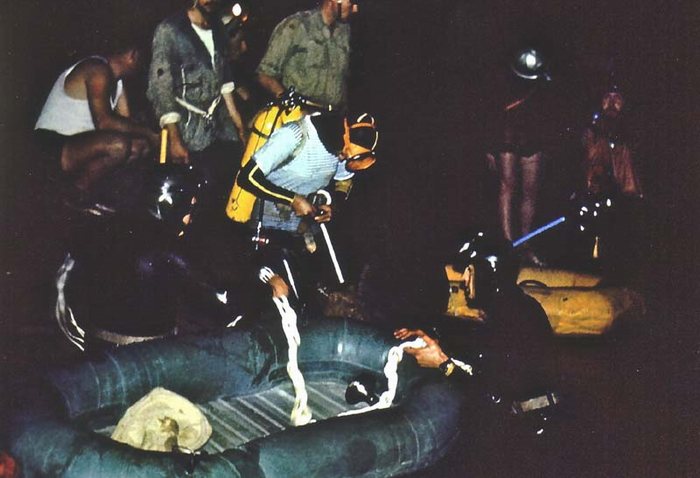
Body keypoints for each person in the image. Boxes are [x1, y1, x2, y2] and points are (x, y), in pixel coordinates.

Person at [392, 231, 561, 476]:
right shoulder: (517, 307)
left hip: (525, 440)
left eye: (469, 271)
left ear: (488, 273)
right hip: (530, 426)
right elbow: (484, 352)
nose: (463, 279)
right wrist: (434, 340)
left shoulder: (511, 320)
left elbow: (492, 397)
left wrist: (443, 364)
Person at [235, 110, 378, 309]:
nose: (342, 158)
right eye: (345, 153)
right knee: (285, 294)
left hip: (303, 228)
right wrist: (292, 199)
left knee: (330, 288)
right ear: (343, 135)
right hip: (267, 225)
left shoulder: (340, 146)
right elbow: (246, 178)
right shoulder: (294, 136)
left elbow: (344, 181)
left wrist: (334, 204)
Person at [34, 35, 158, 206]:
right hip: (50, 145)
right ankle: (77, 192)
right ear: (133, 55)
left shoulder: (118, 84)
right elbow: (104, 122)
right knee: (118, 145)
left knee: (140, 146)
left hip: (80, 145)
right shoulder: (96, 69)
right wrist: (149, 132)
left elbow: (126, 123)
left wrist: (151, 133)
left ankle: (88, 189)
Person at [147, 0, 247, 212]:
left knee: (227, 181)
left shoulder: (218, 26)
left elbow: (224, 78)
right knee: (193, 192)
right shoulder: (170, 30)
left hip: (219, 122)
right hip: (188, 126)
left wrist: (238, 123)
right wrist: (174, 138)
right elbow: (161, 87)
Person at [486, 47, 553, 266]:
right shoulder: (503, 76)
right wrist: (490, 148)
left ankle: (525, 244)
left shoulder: (544, 77)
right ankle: (507, 244)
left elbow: (552, 111)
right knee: (508, 186)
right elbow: (491, 110)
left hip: (533, 134)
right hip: (506, 133)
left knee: (530, 191)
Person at [256, 0, 356, 111]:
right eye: (350, 2)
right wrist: (287, 100)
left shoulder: (345, 32)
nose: (354, 8)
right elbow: (265, 74)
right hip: (299, 114)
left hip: (333, 115)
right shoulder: (296, 26)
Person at [582, 88, 642, 199]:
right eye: (608, 97)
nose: (611, 102)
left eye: (616, 98)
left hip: (624, 191)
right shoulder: (594, 130)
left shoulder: (628, 131)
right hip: (599, 188)